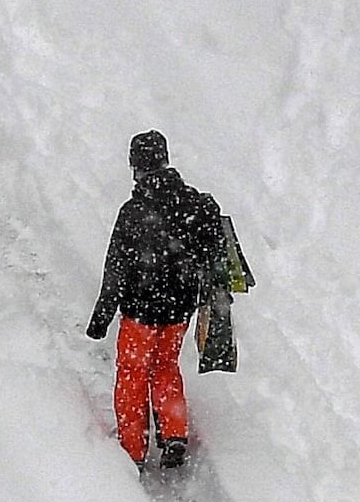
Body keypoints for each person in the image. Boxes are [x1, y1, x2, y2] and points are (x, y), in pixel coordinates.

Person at [84, 130, 248, 471]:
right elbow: (211, 253)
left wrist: (102, 316)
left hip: (140, 312)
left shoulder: (134, 211)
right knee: (165, 366)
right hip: (179, 311)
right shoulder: (197, 205)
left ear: (135, 167)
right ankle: (174, 433)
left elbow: (116, 267)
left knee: (132, 372)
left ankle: (133, 447)